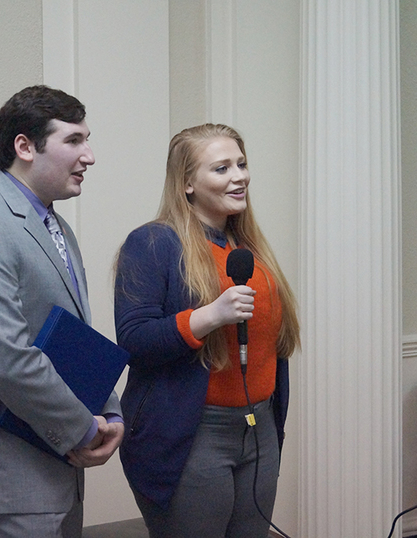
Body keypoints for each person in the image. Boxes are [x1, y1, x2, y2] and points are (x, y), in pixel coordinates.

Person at [0, 85, 124, 538]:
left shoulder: (57, 227)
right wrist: (83, 430)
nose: (90, 155)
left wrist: (109, 412)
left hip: (57, 473)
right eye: (74, 140)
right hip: (9, 477)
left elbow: (74, 342)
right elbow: (8, 360)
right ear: (25, 146)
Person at [113, 123, 300, 538]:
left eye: (242, 164)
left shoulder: (246, 247)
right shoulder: (153, 243)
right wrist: (209, 316)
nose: (239, 176)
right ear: (187, 185)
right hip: (192, 434)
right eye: (221, 168)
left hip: (259, 428)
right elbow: (135, 340)